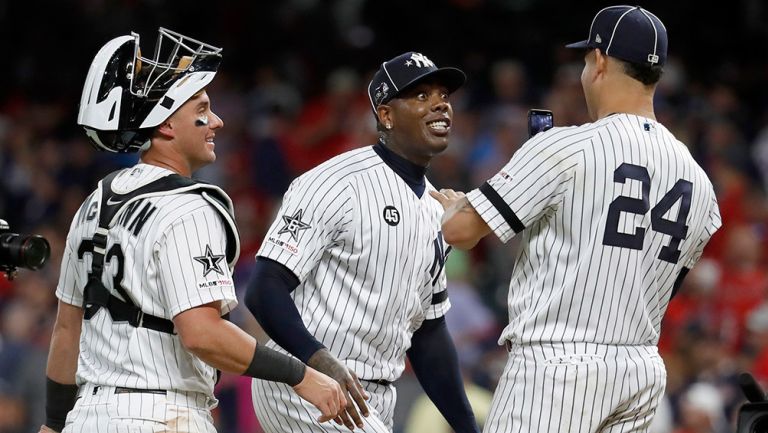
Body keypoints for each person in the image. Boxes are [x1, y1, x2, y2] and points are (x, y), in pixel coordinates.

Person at [431, 6, 722, 433]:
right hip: (639, 370)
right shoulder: (700, 182)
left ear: (600, 61)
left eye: (586, 61)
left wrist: (449, 206)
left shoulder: (566, 147)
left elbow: (460, 231)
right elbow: (666, 286)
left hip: (556, 368)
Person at [40, 28, 345, 433]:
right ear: (165, 125)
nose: (216, 120)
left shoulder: (94, 201)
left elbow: (66, 330)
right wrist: (301, 375)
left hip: (88, 416)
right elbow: (202, 334)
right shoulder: (190, 206)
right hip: (161, 415)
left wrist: (52, 424)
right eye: (202, 107)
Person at [245, 51, 480, 433]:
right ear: (385, 115)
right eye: (421, 96)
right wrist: (317, 360)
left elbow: (429, 334)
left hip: (375, 397)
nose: (440, 103)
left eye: (443, 95)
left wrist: (468, 427)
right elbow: (264, 288)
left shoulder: (437, 209)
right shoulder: (334, 182)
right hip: (306, 381)